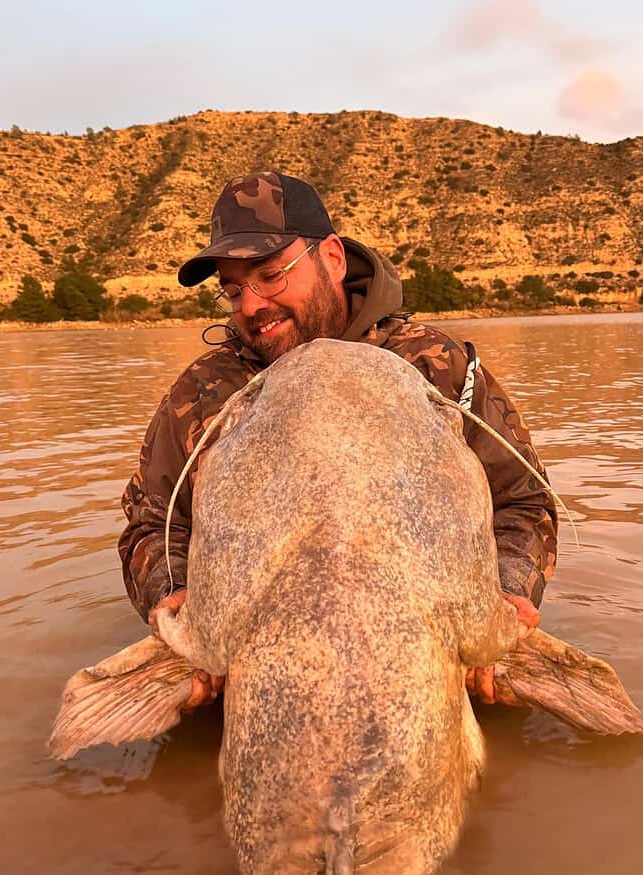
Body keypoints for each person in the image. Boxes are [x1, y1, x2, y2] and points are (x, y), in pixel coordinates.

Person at [119, 171, 556, 707]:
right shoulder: (203, 392)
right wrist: (179, 602)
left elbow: (524, 501)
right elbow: (150, 523)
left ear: (331, 257)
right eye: (232, 290)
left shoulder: (438, 367)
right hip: (258, 680)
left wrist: (504, 597)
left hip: (425, 671)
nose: (250, 305)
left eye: (270, 274)